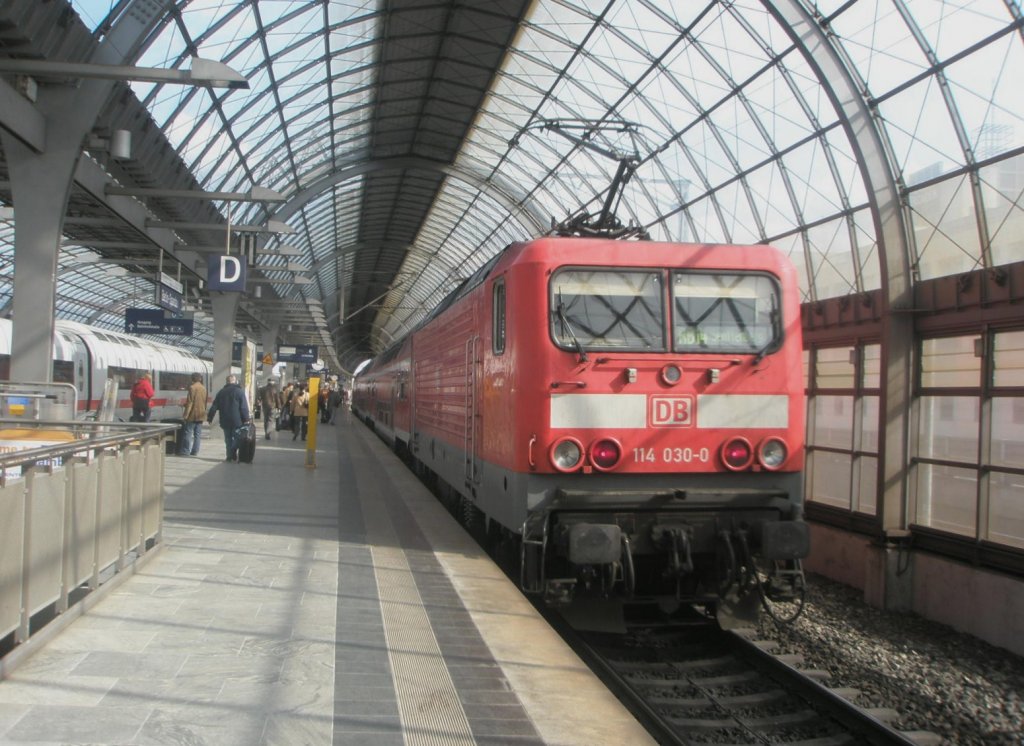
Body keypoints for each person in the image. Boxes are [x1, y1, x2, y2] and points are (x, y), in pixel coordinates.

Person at [206, 374, 251, 462]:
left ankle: (229, 456)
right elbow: (243, 407)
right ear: (235, 381)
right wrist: (246, 419)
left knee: (228, 438)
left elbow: (214, 406)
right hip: (237, 420)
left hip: (224, 419)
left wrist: (210, 417)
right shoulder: (239, 392)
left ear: (226, 382)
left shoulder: (221, 392)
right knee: (237, 437)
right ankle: (233, 450)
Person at [179, 372, 207, 456]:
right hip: (201, 414)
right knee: (197, 434)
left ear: (192, 379)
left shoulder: (192, 388)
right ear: (200, 379)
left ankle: (185, 450)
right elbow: (203, 402)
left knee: (188, 432)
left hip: (192, 415)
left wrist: (185, 415)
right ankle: (195, 451)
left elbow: (190, 403)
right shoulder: (203, 388)